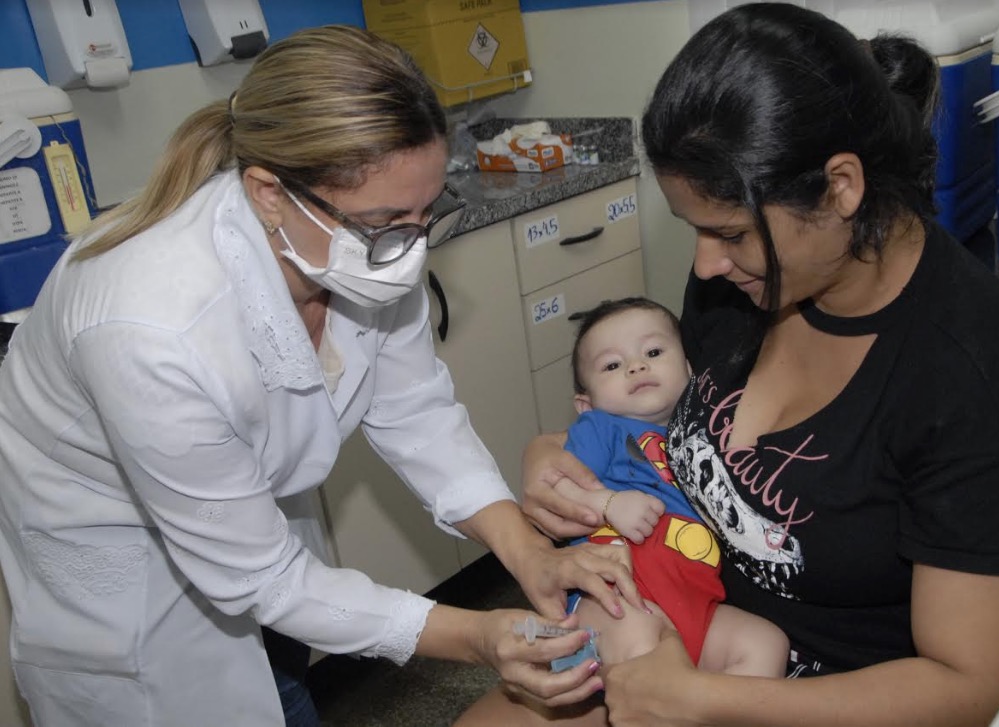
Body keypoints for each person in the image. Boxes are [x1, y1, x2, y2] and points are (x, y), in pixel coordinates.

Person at [460, 4, 999, 727]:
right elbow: (662, 422)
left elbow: (974, 687)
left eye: (726, 232)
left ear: (841, 187)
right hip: (676, 624)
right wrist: (558, 457)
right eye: (695, 229)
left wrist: (700, 699)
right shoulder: (747, 282)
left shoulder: (987, 383)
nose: (704, 263)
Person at [0, 26, 635, 727]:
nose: (412, 249)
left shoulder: (354, 245)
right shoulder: (151, 327)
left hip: (249, 517)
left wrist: (529, 552)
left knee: (284, 676)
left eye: (429, 213)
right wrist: (480, 635)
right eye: (388, 223)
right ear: (269, 194)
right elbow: (264, 577)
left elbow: (418, 412)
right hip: (122, 568)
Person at [551, 297, 787, 678]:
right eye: (612, 365)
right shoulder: (599, 429)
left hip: (695, 605)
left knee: (765, 643)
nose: (637, 365)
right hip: (614, 598)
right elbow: (555, 490)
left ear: (690, 369)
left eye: (654, 351)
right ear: (585, 404)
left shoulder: (709, 433)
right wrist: (607, 502)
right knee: (641, 641)